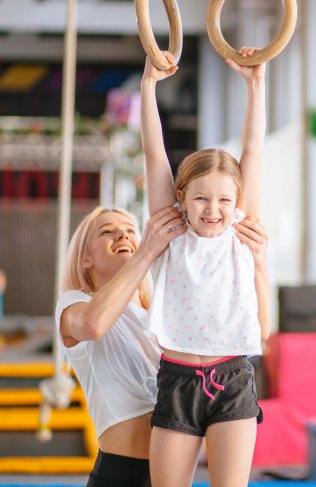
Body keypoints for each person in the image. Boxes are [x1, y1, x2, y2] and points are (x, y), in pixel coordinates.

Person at [55, 205, 269, 487]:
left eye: (131, 230)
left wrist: (258, 262)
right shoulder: (74, 304)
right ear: (86, 259)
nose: (123, 235)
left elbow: (256, 330)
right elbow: (93, 325)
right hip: (121, 475)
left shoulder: (159, 318)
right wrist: (145, 252)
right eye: (108, 232)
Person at [140, 49, 270, 486]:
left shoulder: (239, 231)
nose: (213, 210)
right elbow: (155, 155)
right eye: (200, 198)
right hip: (177, 380)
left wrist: (256, 84)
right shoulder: (172, 230)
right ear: (181, 198)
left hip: (231, 378)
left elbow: (253, 149)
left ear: (236, 203)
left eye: (223, 200)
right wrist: (148, 85)